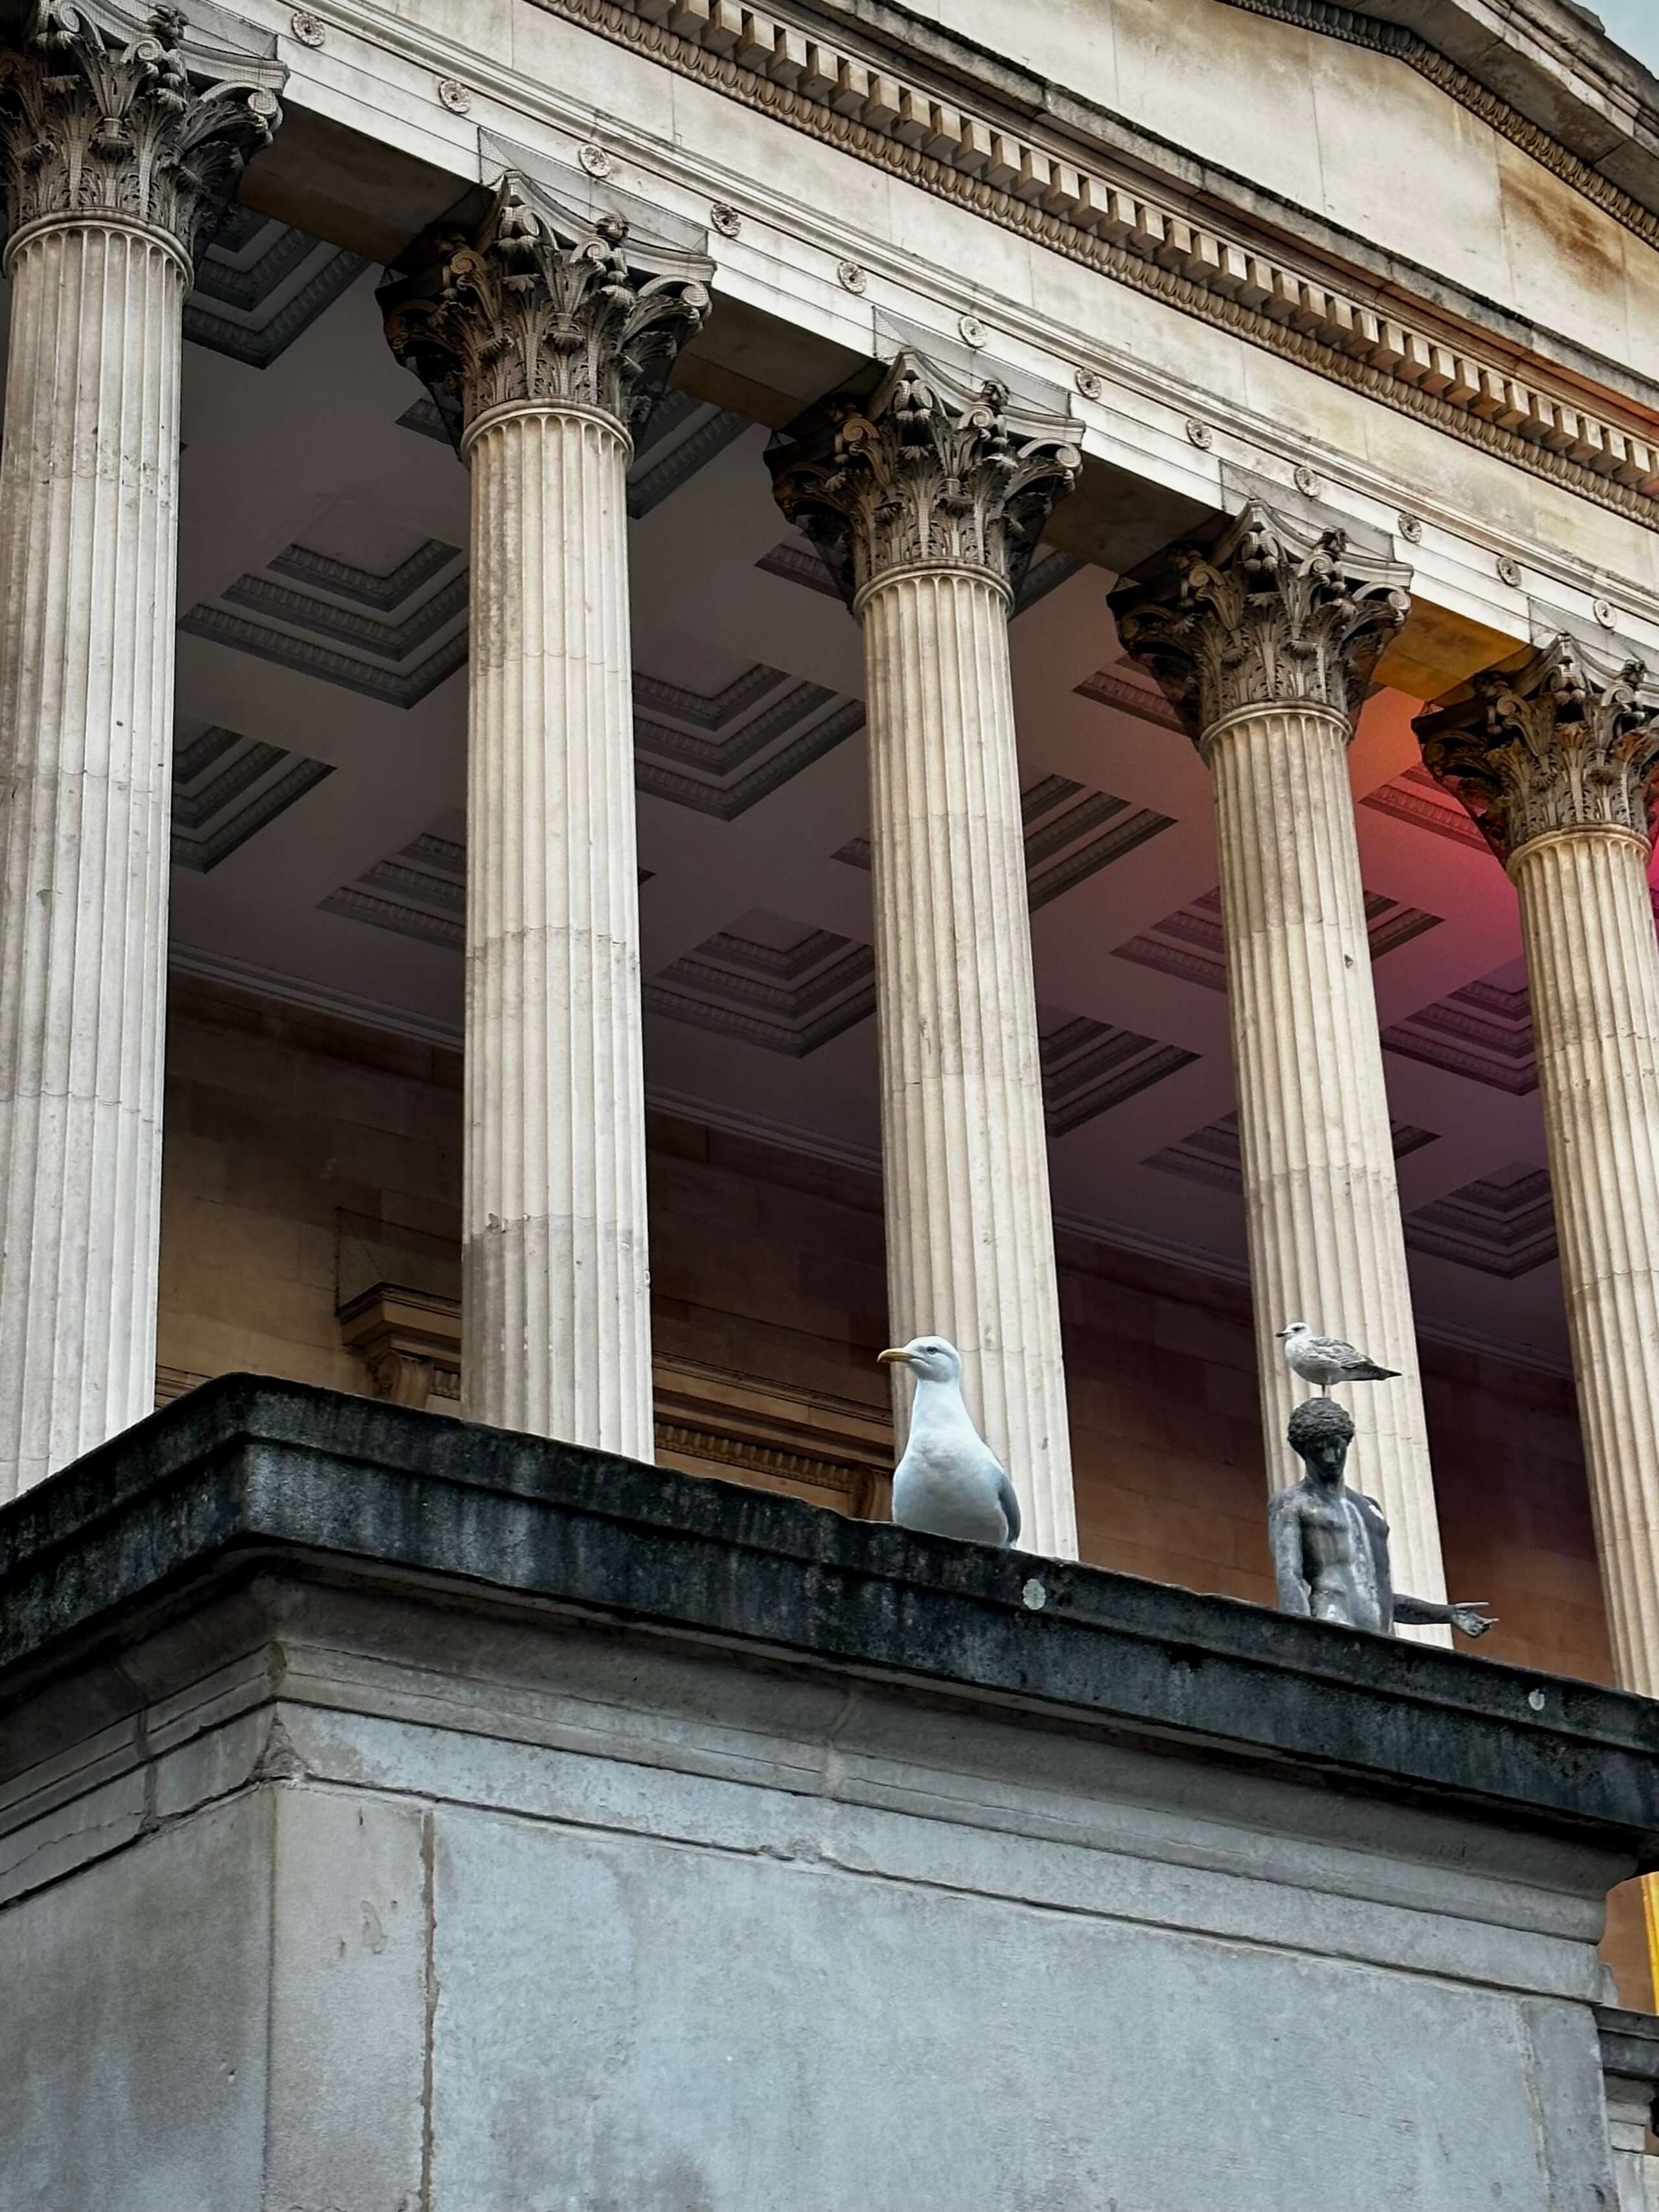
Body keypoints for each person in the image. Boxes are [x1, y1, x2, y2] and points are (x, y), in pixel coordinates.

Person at [1270, 1397, 1496, 1639]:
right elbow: (1289, 1576)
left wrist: (1446, 1614)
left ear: (1347, 1442)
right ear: (1303, 1451)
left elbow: (1381, 1593)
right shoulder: (1292, 1502)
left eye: (1336, 1445)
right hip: (1331, 1624)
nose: (1330, 1457)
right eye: (1318, 1449)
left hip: (1383, 1637)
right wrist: (1300, 1639)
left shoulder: (1370, 1509)